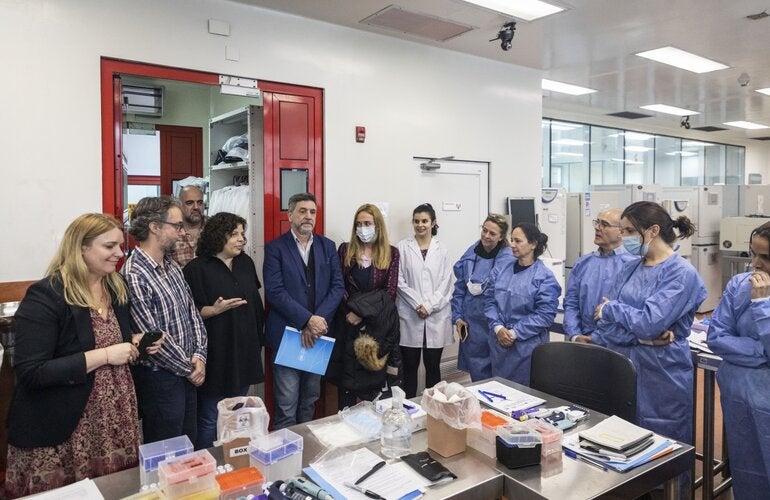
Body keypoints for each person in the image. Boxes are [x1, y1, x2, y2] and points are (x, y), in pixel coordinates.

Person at [4, 214, 161, 498]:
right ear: (81, 248)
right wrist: (105, 355)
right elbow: (32, 372)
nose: (119, 253)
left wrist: (133, 345)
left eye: (120, 245)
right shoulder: (47, 295)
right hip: (63, 428)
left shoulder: (116, 288)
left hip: (114, 422)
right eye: (109, 246)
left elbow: (115, 344)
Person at [594, 201, 706, 448]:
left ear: (653, 231)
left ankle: (672, 489)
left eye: (631, 232)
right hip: (622, 367)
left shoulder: (681, 274)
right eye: (622, 231)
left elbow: (646, 323)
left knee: (663, 444)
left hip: (662, 374)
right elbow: (604, 326)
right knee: (621, 439)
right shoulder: (630, 267)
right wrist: (643, 338)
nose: (625, 238)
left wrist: (612, 310)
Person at [123, 196, 208, 445]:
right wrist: (189, 368)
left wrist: (200, 355)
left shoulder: (171, 265)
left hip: (187, 371)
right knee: (166, 454)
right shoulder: (134, 274)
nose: (182, 232)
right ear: (155, 227)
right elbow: (152, 336)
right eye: (177, 226)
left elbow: (192, 312)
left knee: (188, 446)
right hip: (161, 379)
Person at [183, 212, 265, 449]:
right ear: (219, 236)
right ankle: (206, 461)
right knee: (210, 415)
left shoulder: (245, 262)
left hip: (244, 350)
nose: (241, 239)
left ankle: (232, 458)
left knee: (236, 412)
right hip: (215, 354)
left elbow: (255, 301)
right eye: (234, 234)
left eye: (242, 234)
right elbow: (187, 315)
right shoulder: (196, 269)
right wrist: (213, 310)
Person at [263, 193, 344, 429]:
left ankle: (303, 453)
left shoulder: (328, 247)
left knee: (310, 400)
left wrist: (317, 323)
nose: (308, 216)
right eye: (302, 211)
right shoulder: (275, 248)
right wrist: (307, 320)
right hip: (288, 335)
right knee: (287, 405)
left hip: (318, 336)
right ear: (290, 215)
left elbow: (337, 287)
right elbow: (275, 291)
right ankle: (284, 460)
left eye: (312, 211)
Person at [707, 221, 770, 498]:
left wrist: (762, 305)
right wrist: (761, 352)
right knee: (747, 467)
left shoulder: (756, 294)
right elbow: (716, 337)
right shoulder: (738, 284)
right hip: (738, 394)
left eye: (766, 257)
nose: (756, 263)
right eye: (752, 253)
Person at [334, 203, 401, 409]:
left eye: (367, 223)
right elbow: (339, 285)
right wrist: (352, 312)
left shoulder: (392, 253)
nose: (363, 228)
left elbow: (388, 293)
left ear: (378, 225)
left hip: (377, 329)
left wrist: (362, 313)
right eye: (359, 224)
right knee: (346, 387)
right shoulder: (345, 249)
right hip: (347, 325)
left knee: (373, 389)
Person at [484, 222, 561, 385]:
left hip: (526, 347)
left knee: (525, 395)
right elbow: (489, 300)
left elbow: (544, 315)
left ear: (533, 244)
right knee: (499, 391)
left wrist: (514, 333)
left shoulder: (544, 277)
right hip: (499, 343)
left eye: (517, 241)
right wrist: (498, 328)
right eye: (511, 240)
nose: (512, 244)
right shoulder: (501, 269)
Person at [397, 203, 454, 398]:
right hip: (410, 316)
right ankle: (409, 409)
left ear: (433, 223)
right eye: (416, 221)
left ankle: (434, 409)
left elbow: (446, 282)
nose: (420, 225)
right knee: (409, 370)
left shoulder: (443, 249)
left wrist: (429, 306)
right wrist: (417, 304)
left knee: (433, 369)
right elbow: (399, 281)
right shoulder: (402, 247)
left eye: (424, 221)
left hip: (436, 316)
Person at [451, 213, 514, 382]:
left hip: (496, 327)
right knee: (478, 378)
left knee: (499, 379)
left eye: (492, 233)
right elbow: (459, 288)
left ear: (501, 237)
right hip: (472, 328)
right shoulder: (471, 253)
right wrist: (457, 317)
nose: (486, 236)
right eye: (484, 230)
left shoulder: (508, 259)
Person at [563, 209, 637, 348]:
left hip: (620, 345)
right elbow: (571, 303)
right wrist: (575, 335)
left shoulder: (634, 265)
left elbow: (633, 311)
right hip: (583, 343)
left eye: (604, 224)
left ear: (621, 232)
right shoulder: (583, 263)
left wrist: (600, 338)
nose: (597, 227)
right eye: (597, 223)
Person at [172, 185, 206, 267]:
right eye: (189, 203)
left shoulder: (216, 229)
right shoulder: (171, 232)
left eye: (200, 202)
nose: (196, 207)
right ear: (179, 205)